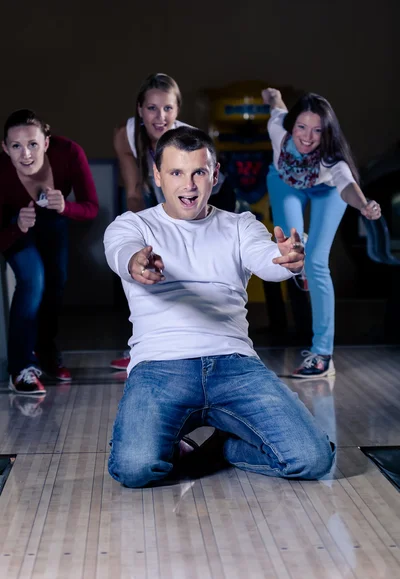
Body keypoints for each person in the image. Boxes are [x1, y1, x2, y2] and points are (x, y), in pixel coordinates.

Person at [103, 125, 335, 488]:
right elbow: (122, 254)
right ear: (157, 175)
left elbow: (265, 258)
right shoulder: (133, 226)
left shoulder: (240, 225)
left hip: (235, 366)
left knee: (312, 458)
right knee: (135, 468)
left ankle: (223, 447)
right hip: (160, 369)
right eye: (177, 172)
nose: (189, 184)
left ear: (215, 174)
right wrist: (136, 263)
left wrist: (285, 258)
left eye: (199, 171)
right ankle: (175, 442)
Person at [111, 73, 236, 370]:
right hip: (164, 194)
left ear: (177, 110)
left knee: (196, 264)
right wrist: (141, 234)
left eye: (167, 108)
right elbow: (133, 193)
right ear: (140, 110)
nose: (160, 116)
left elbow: (196, 194)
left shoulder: (186, 137)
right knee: (150, 262)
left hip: (211, 197)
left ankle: (221, 339)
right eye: (152, 108)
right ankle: (145, 342)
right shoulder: (125, 135)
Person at [262, 88, 381, 378]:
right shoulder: (278, 128)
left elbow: (348, 187)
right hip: (286, 183)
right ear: (292, 126)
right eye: (301, 127)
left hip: (327, 191)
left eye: (317, 130)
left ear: (326, 132)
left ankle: (322, 355)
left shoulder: (333, 159)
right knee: (293, 248)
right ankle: (299, 260)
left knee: (316, 262)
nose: (307, 136)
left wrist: (364, 205)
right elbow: (277, 107)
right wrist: (271, 96)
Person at [0, 109, 99, 394]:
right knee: (34, 281)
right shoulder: (2, 172)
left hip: (55, 216)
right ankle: (19, 367)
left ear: (46, 142)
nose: (26, 154)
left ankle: (45, 352)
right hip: (14, 224)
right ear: (5, 148)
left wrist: (65, 207)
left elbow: (90, 207)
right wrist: (17, 227)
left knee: (56, 284)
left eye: (32, 144)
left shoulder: (68, 152)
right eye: (16, 146)